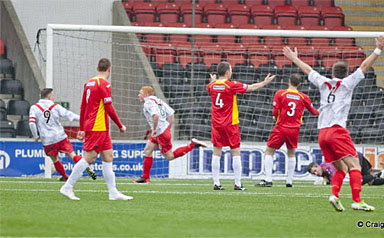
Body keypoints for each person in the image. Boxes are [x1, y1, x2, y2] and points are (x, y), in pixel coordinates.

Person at [283, 36, 384, 211]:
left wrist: (294, 59)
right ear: (346, 74)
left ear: (332, 73)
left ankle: (335, 196)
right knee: (355, 166)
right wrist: (378, 50)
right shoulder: (348, 82)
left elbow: (308, 70)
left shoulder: (323, 82)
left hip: (322, 133)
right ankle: (357, 201)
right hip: (337, 130)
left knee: (342, 169)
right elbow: (364, 66)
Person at [60, 58, 132, 201]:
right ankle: (67, 187)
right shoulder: (104, 84)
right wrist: (120, 125)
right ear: (109, 69)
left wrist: (81, 127)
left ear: (97, 67)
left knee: (108, 156)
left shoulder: (89, 83)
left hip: (99, 127)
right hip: (97, 126)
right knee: (90, 158)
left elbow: (83, 106)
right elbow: (109, 107)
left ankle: (113, 192)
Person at [207, 61, 276, 191]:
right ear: (227, 72)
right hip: (230, 123)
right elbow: (250, 88)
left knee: (216, 152)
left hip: (216, 124)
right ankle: (237, 183)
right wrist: (264, 82)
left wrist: (213, 81)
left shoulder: (211, 86)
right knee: (235, 151)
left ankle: (216, 183)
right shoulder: (231, 85)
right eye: (231, 69)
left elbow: (211, 86)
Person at [255, 74, 319, 188]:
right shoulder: (303, 97)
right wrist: (323, 111)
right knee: (291, 153)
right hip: (294, 129)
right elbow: (314, 112)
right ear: (299, 84)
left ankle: (268, 179)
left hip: (281, 127)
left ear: (289, 81)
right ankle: (289, 181)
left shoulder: (280, 93)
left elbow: (275, 109)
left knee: (269, 151)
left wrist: (274, 116)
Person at [133, 86, 207, 184]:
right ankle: (145, 177)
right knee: (147, 151)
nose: (139, 95)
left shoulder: (148, 103)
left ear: (146, 94)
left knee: (169, 156)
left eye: (140, 93)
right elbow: (171, 114)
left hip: (160, 133)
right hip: (162, 131)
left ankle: (192, 145)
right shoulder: (157, 100)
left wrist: (155, 129)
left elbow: (156, 115)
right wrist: (167, 127)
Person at [29, 88, 96, 181]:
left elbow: (31, 123)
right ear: (49, 96)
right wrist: (84, 119)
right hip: (60, 137)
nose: (53, 97)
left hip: (47, 140)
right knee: (72, 155)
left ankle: (65, 177)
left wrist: (36, 136)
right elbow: (70, 115)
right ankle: (87, 168)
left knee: (55, 160)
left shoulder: (34, 107)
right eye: (52, 95)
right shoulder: (55, 106)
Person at [307, 152, 384, 186]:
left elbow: (335, 179)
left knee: (358, 182)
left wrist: (325, 182)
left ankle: (378, 174)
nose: (316, 173)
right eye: (314, 173)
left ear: (317, 165)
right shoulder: (324, 170)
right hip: (356, 158)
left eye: (315, 170)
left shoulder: (326, 166)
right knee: (371, 182)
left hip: (355, 160)